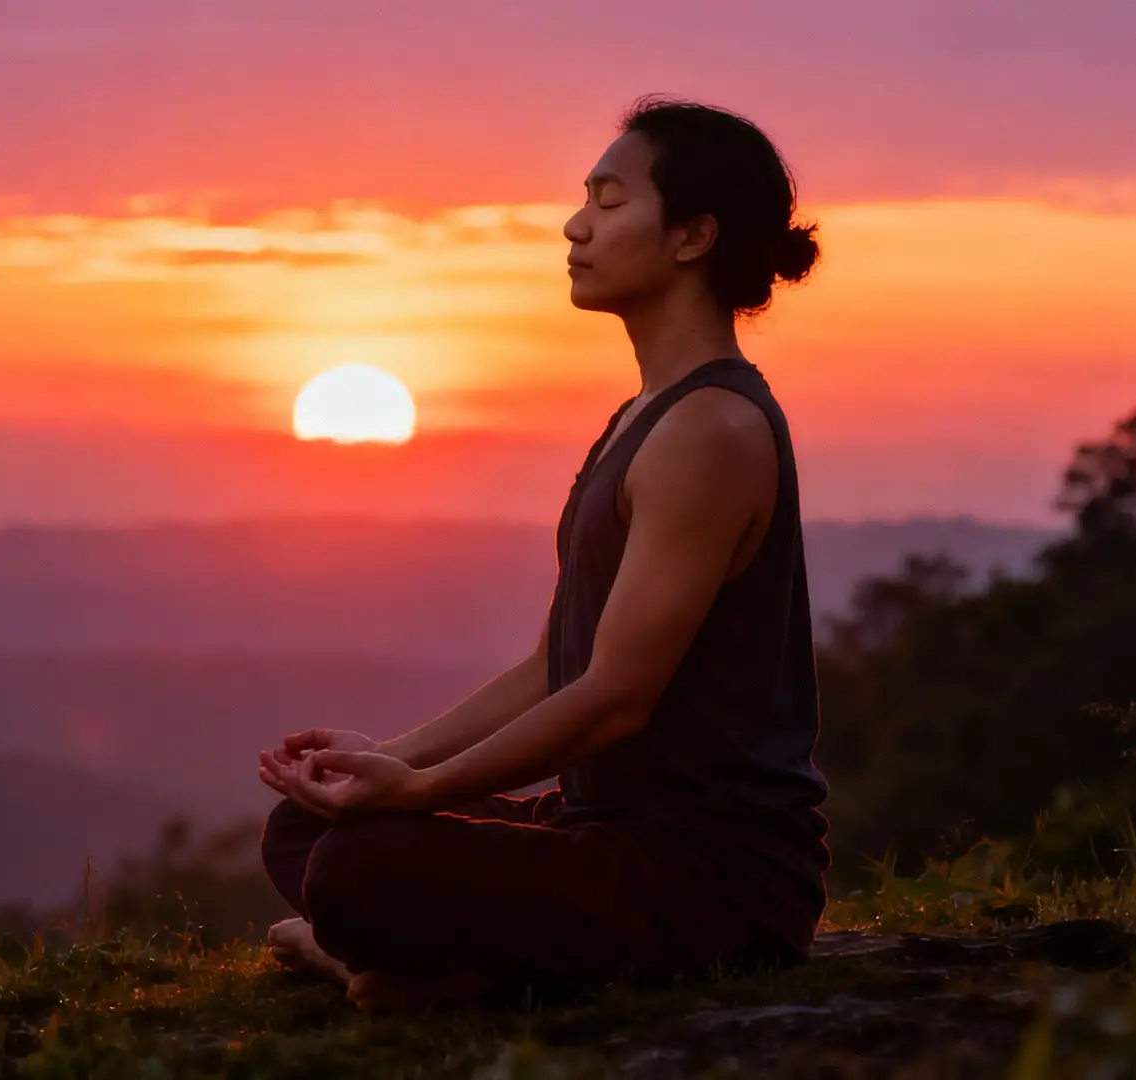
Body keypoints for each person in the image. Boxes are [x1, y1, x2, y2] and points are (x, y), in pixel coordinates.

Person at [255, 97, 832, 1012]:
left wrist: (424, 789)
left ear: (691, 237)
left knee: (364, 867)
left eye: (608, 203)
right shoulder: (642, 418)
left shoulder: (711, 430)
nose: (575, 226)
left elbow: (613, 700)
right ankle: (425, 974)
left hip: (712, 878)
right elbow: (551, 667)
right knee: (305, 826)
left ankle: (380, 972)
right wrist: (384, 766)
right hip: (599, 831)